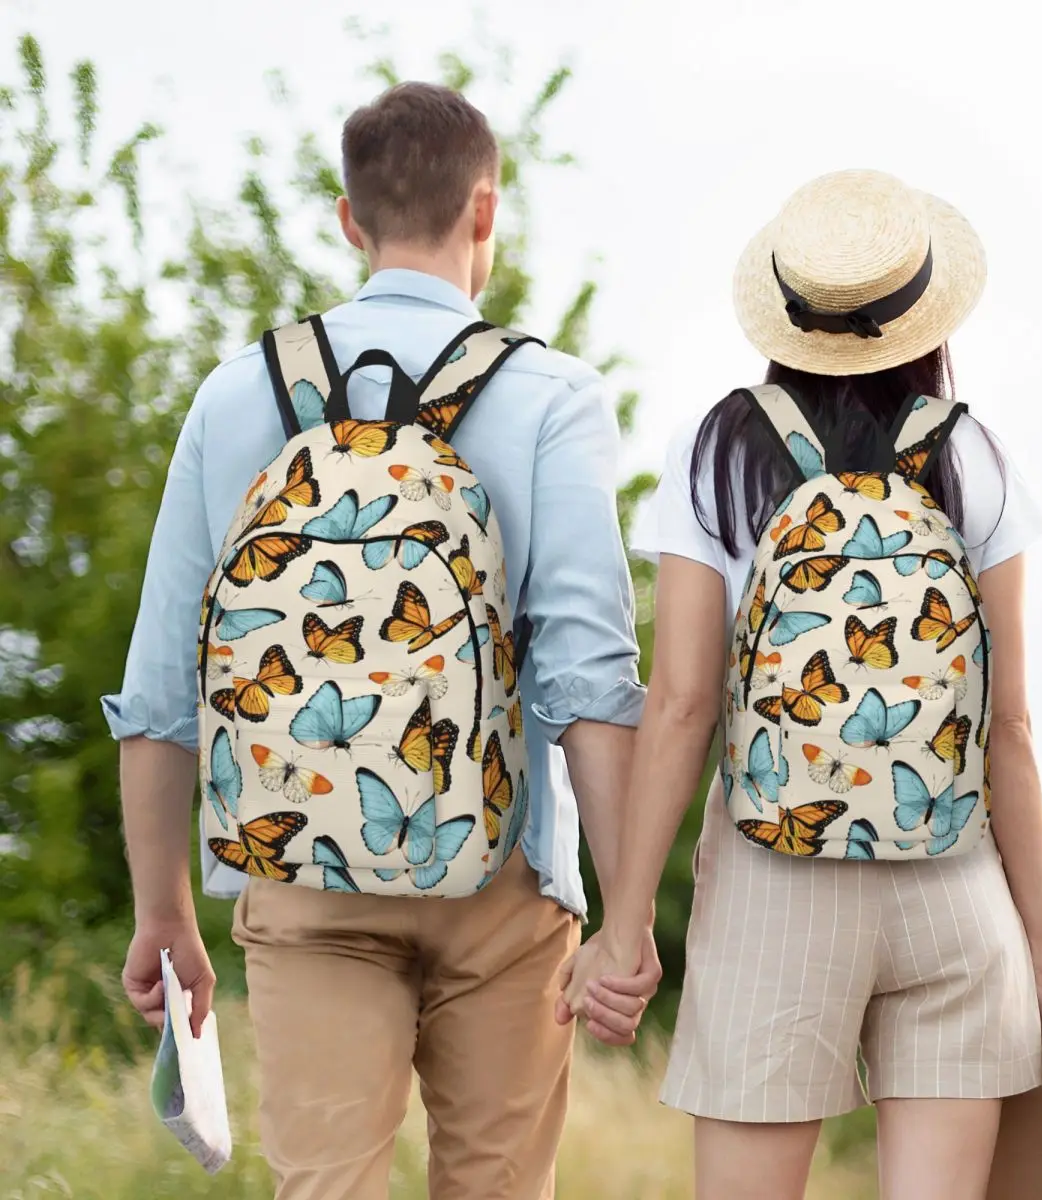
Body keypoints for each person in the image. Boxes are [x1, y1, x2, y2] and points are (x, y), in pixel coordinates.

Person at [104, 81, 661, 1200]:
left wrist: (163, 910)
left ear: (349, 219)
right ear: (486, 212)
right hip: (503, 875)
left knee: (325, 1186)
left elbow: (164, 684)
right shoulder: (551, 395)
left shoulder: (237, 394)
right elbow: (589, 680)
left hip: (301, 872)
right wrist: (627, 915)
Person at [559, 169, 1042, 1200]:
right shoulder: (973, 455)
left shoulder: (717, 450)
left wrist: (623, 929)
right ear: (924, 315)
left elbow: (682, 707)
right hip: (954, 886)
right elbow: (1010, 726)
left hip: (774, 884)